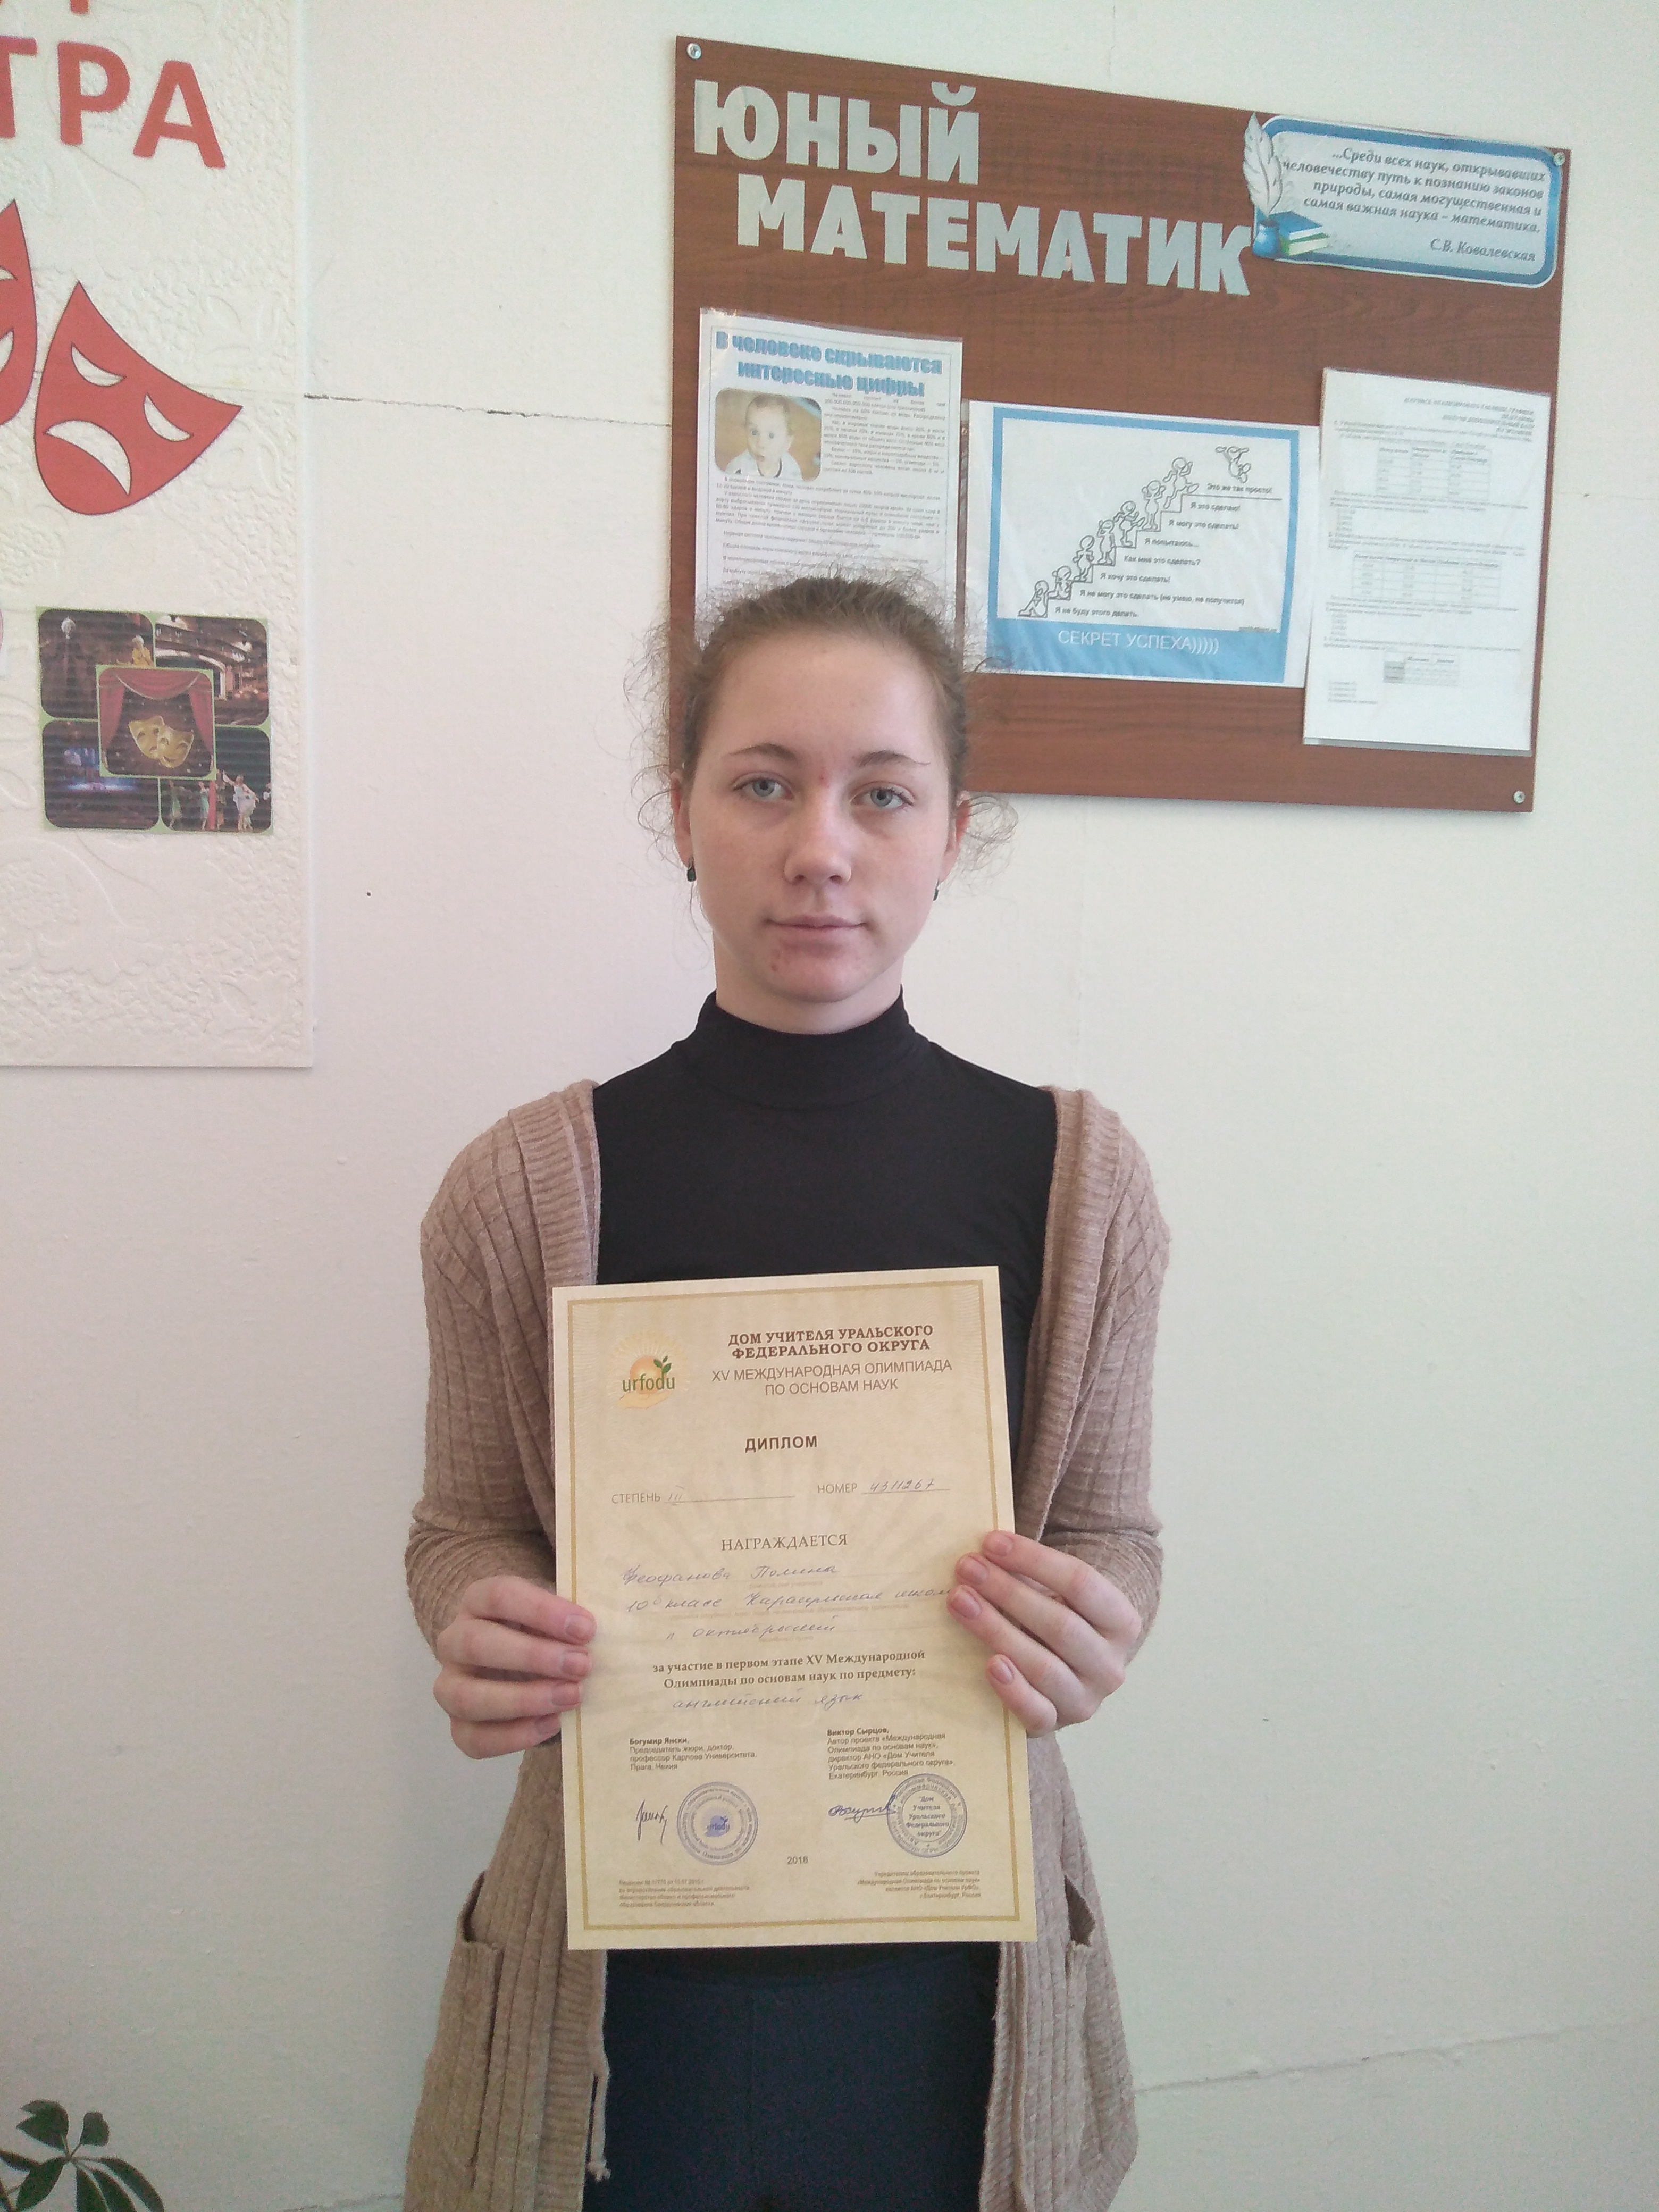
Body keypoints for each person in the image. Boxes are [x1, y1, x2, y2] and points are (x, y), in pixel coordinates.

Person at [404, 575, 1168, 2212]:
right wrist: (480, 1620)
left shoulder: (1076, 1181)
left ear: (953, 830)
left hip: (953, 1987)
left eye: (880, 794)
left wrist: (1094, 1624)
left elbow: (1113, 1528)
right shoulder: (522, 1188)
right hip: (621, 1990)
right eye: (763, 783)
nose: (821, 846)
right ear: (680, 809)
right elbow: (462, 1526)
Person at [724, 391, 806, 482]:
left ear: (787, 442)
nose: (761, 444)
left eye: (771, 436)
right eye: (754, 433)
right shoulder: (738, 470)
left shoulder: (792, 470)